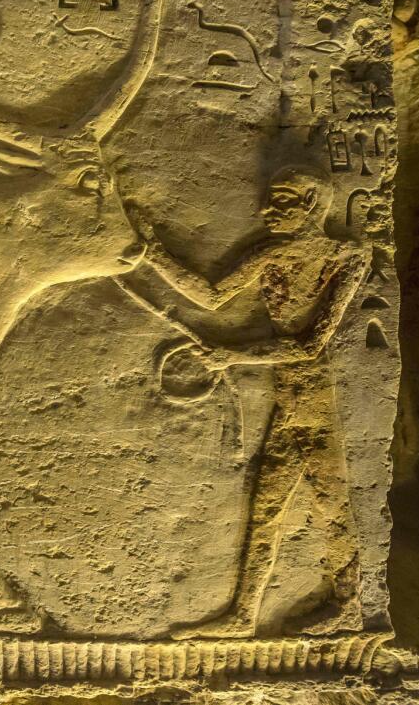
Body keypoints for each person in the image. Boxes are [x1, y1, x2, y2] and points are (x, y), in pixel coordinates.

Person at [121, 166, 370, 636]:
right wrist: (154, 256)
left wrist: (229, 356)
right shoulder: (270, 254)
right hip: (289, 400)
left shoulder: (346, 257)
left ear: (313, 205)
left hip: (313, 400)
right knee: (268, 508)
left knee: (330, 503)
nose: (265, 210)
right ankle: (243, 615)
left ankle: (350, 604)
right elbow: (213, 296)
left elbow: (310, 347)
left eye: (282, 201)